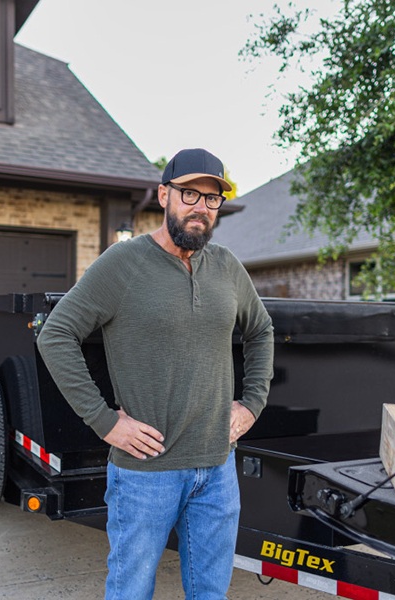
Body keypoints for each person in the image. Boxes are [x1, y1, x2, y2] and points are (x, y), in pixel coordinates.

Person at [36, 148, 274, 600]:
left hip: (217, 467)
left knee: (210, 593)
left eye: (211, 199)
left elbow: (261, 329)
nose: (201, 207)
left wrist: (252, 403)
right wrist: (105, 421)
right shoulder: (123, 263)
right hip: (148, 473)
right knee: (131, 591)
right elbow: (56, 335)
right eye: (189, 194)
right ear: (164, 194)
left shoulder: (226, 266)